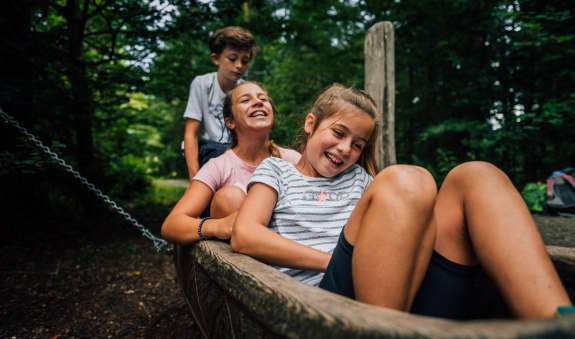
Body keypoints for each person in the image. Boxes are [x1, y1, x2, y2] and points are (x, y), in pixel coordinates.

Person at [231, 83, 572, 319]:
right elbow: (246, 234)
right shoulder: (277, 170)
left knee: (477, 174)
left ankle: (556, 321)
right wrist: (328, 259)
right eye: (338, 133)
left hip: (406, 297)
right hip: (326, 302)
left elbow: (403, 228)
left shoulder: (362, 180)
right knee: (409, 178)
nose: (345, 149)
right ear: (311, 123)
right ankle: (383, 328)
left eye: (358, 145)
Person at [162, 82, 300, 245]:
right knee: (229, 196)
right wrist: (217, 226)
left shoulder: (293, 159)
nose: (258, 102)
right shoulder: (218, 166)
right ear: (230, 122)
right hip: (249, 262)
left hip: (297, 248)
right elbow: (171, 225)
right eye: (245, 100)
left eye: (263, 98)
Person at [182, 26, 258, 181]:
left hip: (234, 151)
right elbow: (191, 134)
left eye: (245, 61)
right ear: (216, 58)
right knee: (225, 153)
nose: (239, 65)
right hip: (206, 148)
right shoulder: (202, 84)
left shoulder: (245, 89)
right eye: (232, 58)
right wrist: (195, 180)